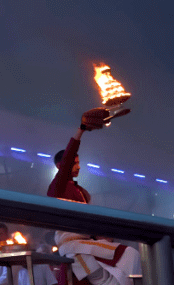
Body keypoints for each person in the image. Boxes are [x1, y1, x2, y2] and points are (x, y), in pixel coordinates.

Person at [47, 111, 138, 285]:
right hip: (76, 248)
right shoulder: (57, 188)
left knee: (124, 270)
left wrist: (100, 236)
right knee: (127, 258)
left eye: (79, 162)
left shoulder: (80, 191)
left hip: (87, 245)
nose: (79, 166)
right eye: (75, 163)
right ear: (61, 166)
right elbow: (67, 160)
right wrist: (80, 130)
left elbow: (88, 221)